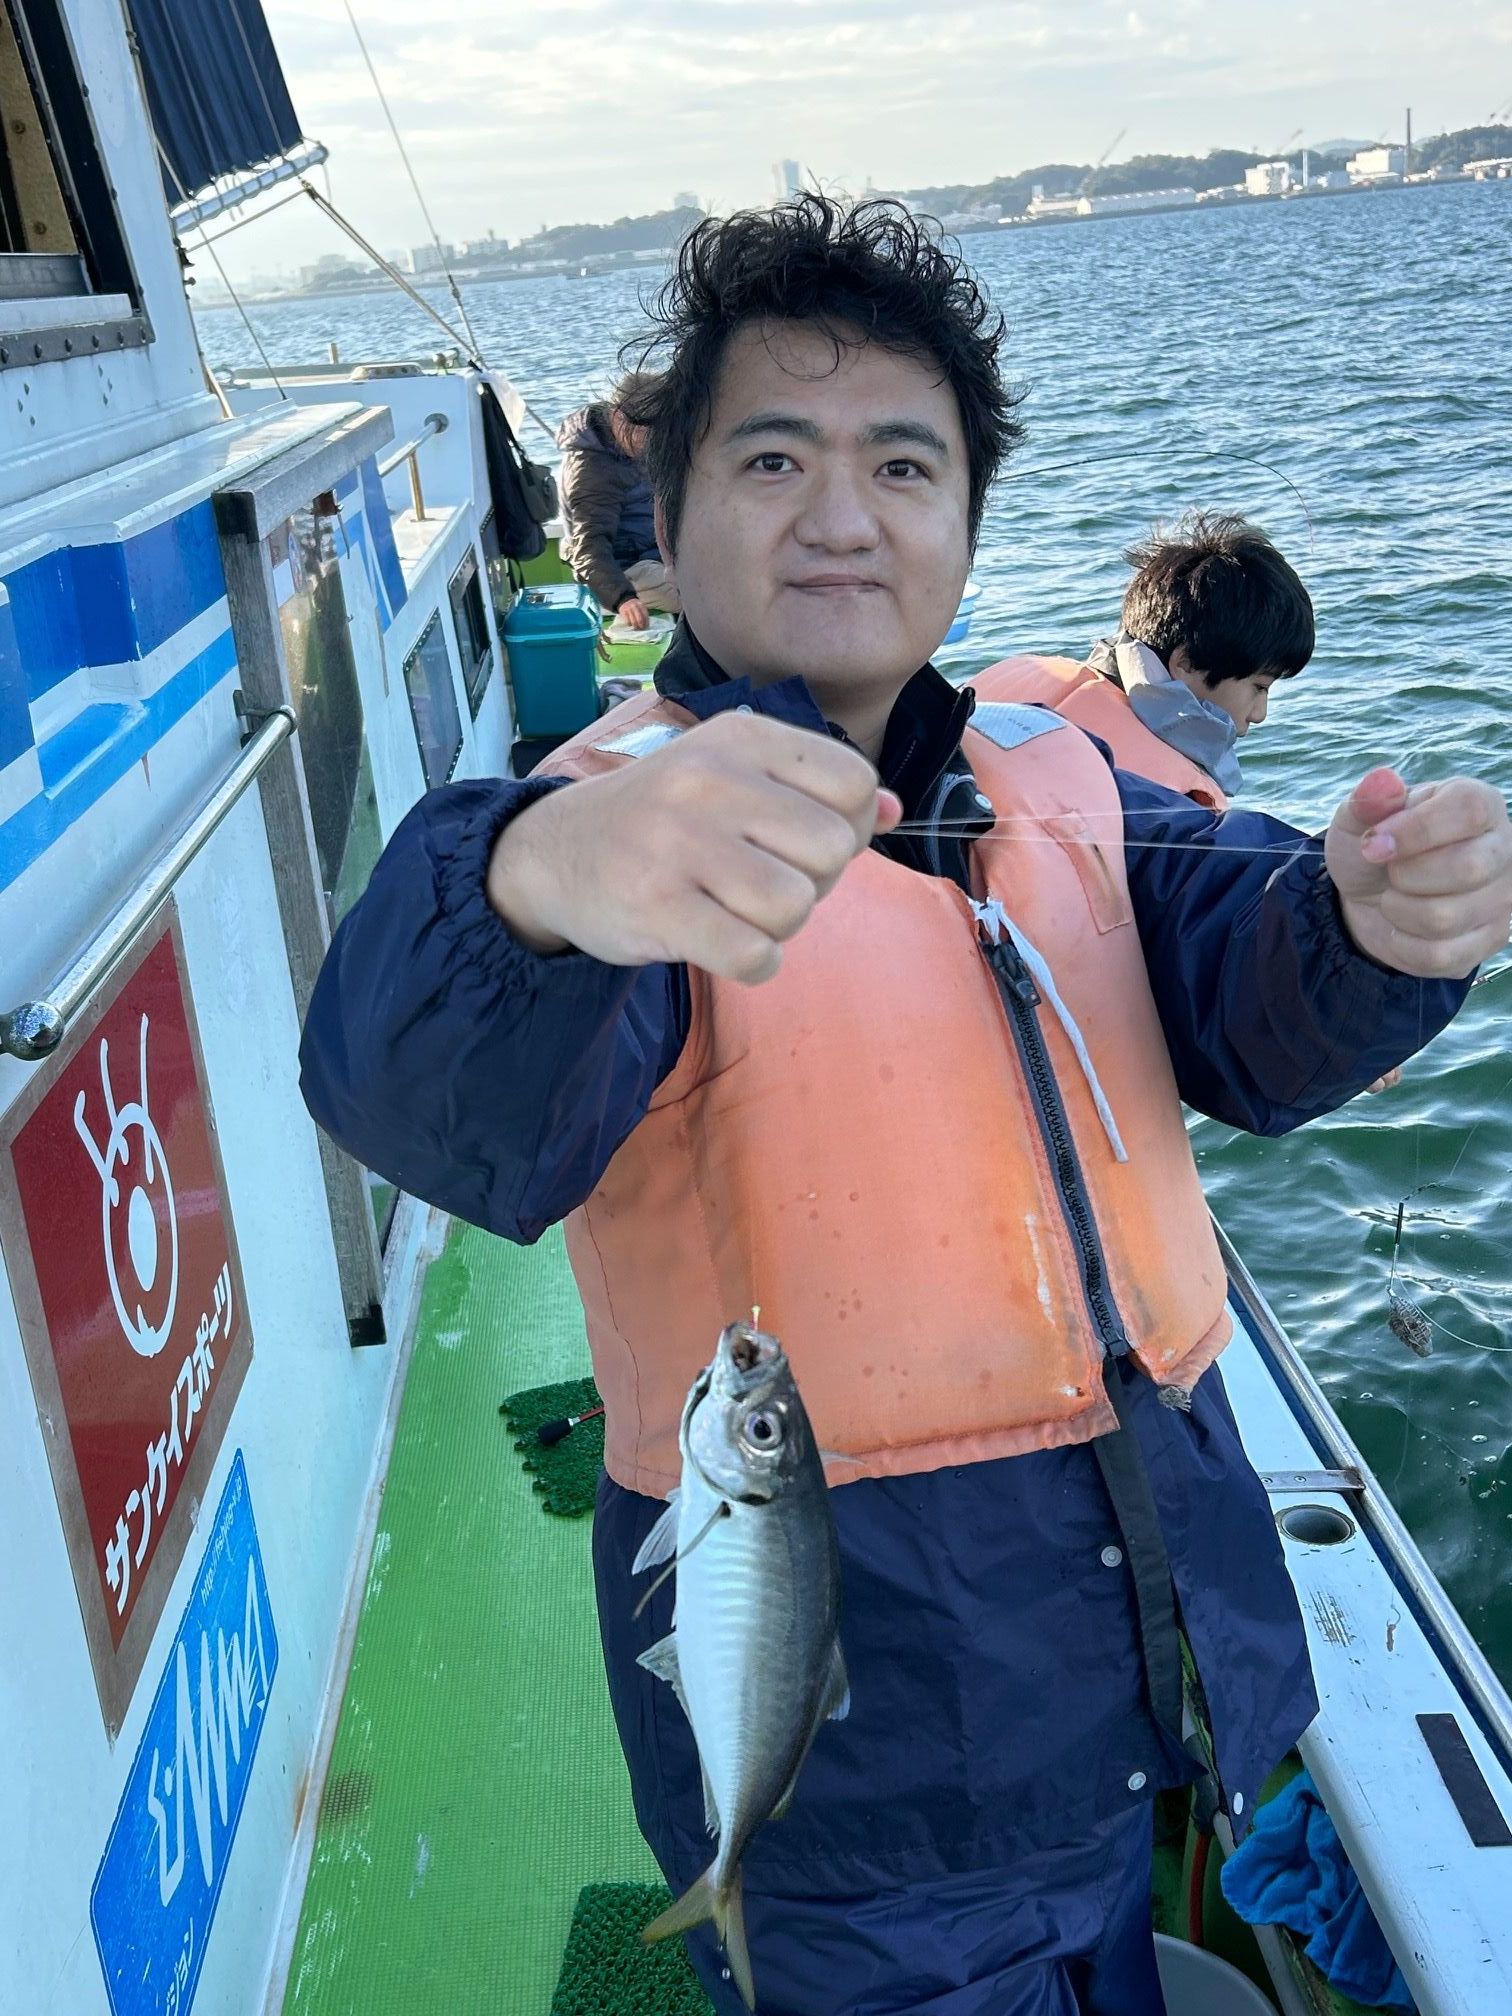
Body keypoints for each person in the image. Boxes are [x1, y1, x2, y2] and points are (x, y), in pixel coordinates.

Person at [299, 196, 1512, 2016]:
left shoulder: (1060, 778)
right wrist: (540, 883)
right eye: (771, 459)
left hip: (1136, 1703)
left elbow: (1254, 1003)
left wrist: (1370, 923)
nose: (844, 514)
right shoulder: (620, 831)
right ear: (671, 519)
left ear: (964, 524)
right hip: (859, 1814)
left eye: (902, 464)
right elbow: (418, 1087)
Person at [975, 513, 1315, 812]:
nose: (1259, 713)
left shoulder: (1014, 671)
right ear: (1187, 664)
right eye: (1259, 687)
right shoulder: (1180, 800)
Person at [557, 371, 680, 629]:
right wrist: (622, 598)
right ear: (617, 416)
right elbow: (588, 549)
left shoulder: (628, 443)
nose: (649, 441)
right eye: (642, 431)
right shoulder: (593, 471)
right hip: (623, 570)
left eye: (655, 430)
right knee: (700, 593)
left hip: (654, 552)